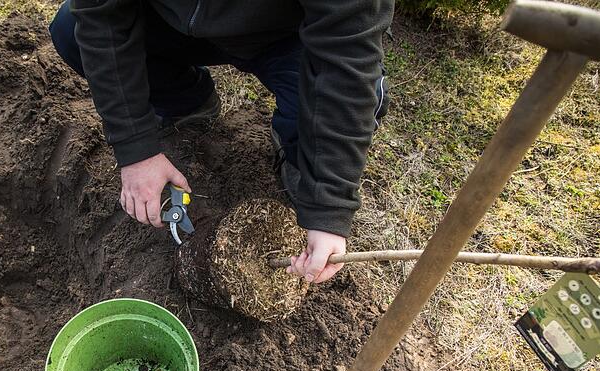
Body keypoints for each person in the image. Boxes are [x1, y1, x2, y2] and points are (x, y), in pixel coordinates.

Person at [49, 0, 392, 284]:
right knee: (71, 30)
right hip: (174, 19)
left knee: (362, 98)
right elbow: (101, 18)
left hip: (290, 34)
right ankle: (185, 100)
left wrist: (329, 206)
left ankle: (298, 146)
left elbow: (348, 62)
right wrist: (135, 149)